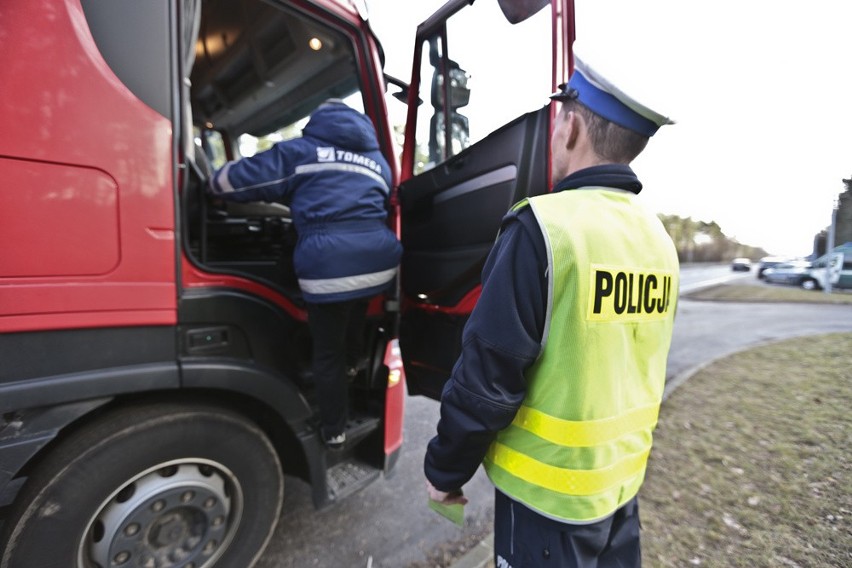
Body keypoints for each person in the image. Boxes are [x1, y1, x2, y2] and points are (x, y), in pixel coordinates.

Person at [423, 58, 679, 567]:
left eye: (560, 114)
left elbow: (486, 381)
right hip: (619, 492)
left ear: (572, 126)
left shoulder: (543, 228)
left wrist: (444, 472)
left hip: (546, 505)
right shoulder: (658, 240)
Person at [208, 99, 402, 449]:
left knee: (326, 351)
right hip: (379, 262)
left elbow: (226, 185)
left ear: (318, 123)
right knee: (354, 316)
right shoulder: (378, 162)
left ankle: (334, 429)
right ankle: (351, 368)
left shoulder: (302, 152)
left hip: (330, 267)